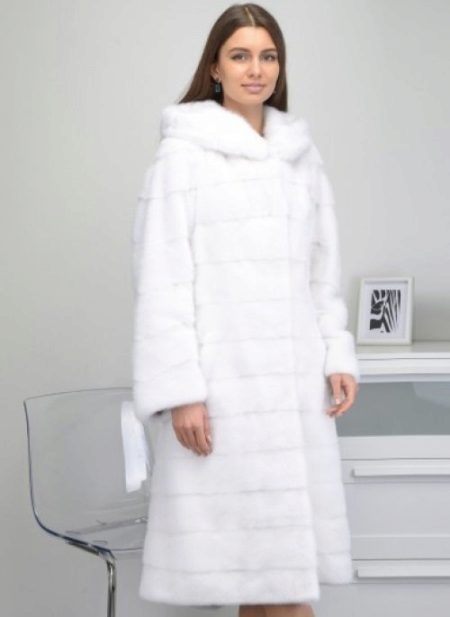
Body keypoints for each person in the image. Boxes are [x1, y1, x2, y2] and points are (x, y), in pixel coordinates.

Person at [131, 3, 359, 616]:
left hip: (295, 395)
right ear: (214, 68)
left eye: (267, 56)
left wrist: (336, 355)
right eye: (240, 56)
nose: (255, 70)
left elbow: (320, 271)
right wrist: (181, 391)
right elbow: (162, 281)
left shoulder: (300, 157)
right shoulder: (183, 158)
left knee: (267, 589)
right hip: (223, 397)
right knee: (264, 584)